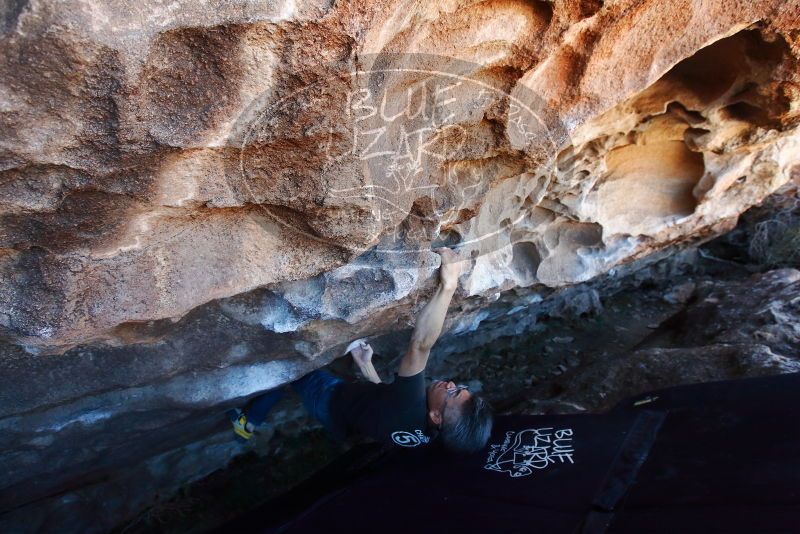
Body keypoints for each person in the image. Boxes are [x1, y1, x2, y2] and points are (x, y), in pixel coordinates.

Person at [228, 248, 493, 453]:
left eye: (453, 393)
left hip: (328, 398)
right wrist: (368, 368)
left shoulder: (411, 405)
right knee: (293, 375)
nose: (450, 384)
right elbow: (390, 411)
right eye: (459, 387)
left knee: (290, 368)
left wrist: (449, 284)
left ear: (436, 416)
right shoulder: (428, 437)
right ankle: (254, 418)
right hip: (345, 422)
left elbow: (421, 343)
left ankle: (250, 421)